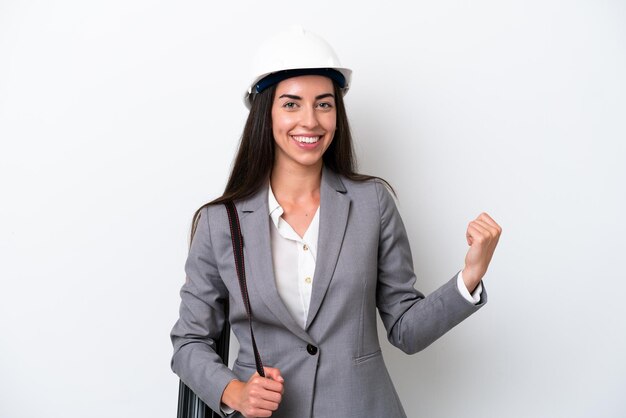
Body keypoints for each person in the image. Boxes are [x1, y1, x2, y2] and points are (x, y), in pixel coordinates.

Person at [170, 26, 502, 418]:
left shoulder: (373, 203)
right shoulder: (220, 222)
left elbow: (406, 331)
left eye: (324, 104)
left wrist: (470, 275)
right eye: (292, 104)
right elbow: (189, 342)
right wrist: (234, 391)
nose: (310, 121)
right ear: (266, 112)